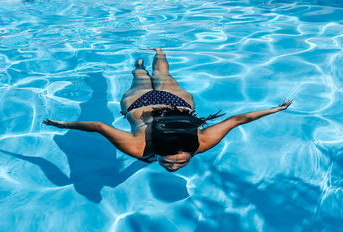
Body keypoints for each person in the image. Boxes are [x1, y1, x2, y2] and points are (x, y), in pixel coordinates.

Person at [43, 48, 293, 172]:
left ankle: (153, 55)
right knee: (144, 77)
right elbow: (99, 126)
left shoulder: (202, 141)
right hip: (141, 104)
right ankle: (147, 61)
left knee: (160, 74)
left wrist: (274, 110)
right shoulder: (137, 148)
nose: (172, 166)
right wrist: (64, 126)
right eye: (176, 163)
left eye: (170, 163)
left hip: (177, 102)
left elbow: (237, 119)